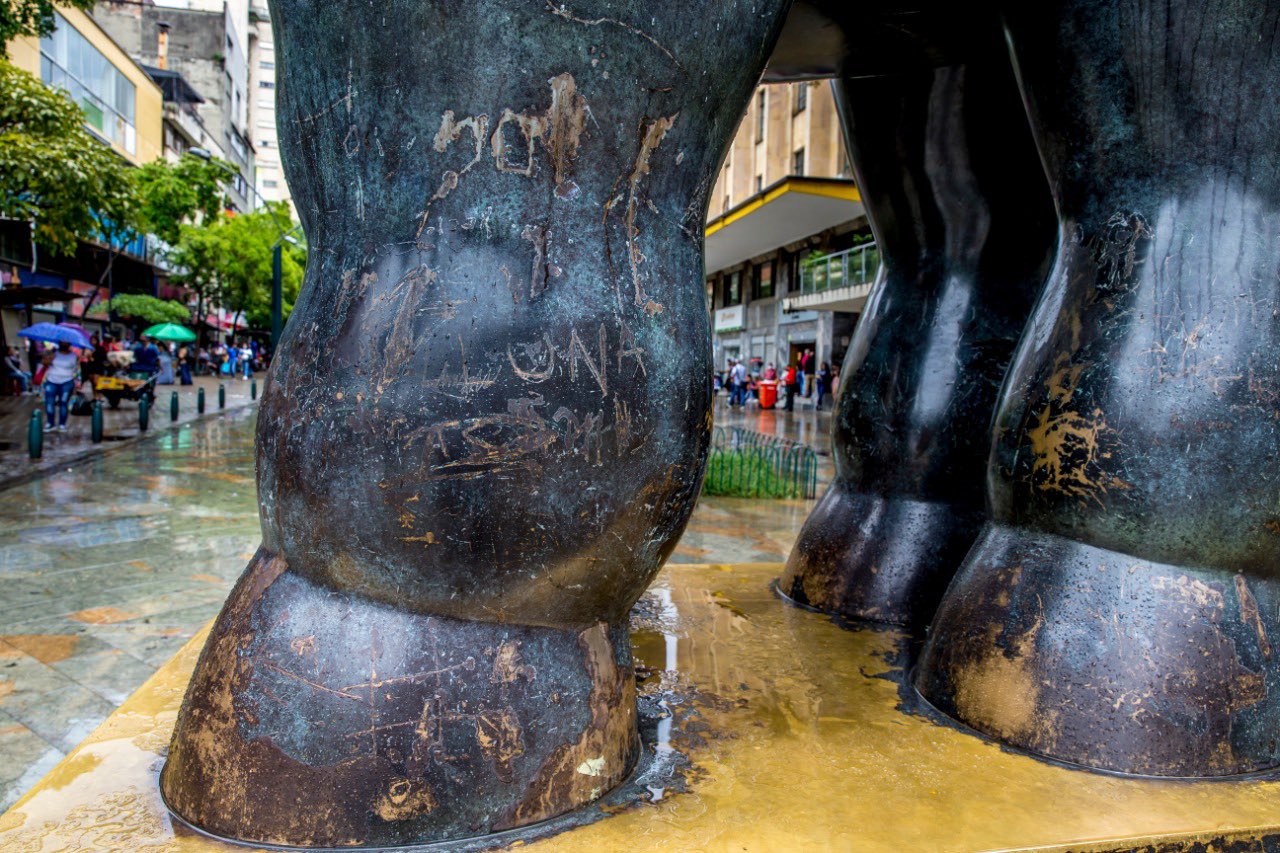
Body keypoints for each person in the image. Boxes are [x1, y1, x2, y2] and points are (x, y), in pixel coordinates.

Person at [42, 342, 79, 431]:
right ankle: (50, 423)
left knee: (63, 403)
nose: (64, 343)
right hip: (51, 381)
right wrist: (48, 357)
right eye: (62, 341)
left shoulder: (74, 355)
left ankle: (62, 424)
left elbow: (76, 369)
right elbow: (44, 364)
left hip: (67, 382)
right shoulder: (53, 353)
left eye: (66, 341)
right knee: (49, 402)